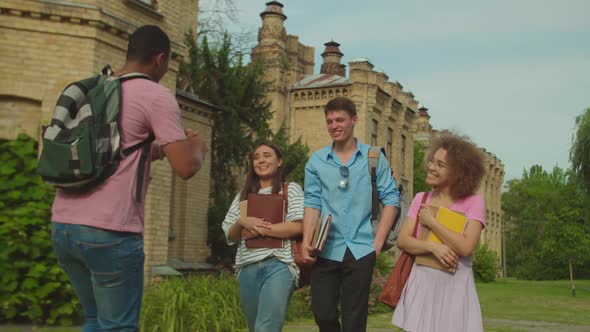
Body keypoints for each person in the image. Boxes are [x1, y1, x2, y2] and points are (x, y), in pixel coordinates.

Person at [51, 25, 208, 331]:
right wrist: (198, 149)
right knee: (119, 327)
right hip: (110, 231)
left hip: (64, 227)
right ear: (160, 59)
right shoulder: (155, 95)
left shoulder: (99, 89)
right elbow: (186, 168)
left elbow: (121, 149)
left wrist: (161, 150)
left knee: (95, 321)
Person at [301, 96, 400, 332]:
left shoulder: (373, 158)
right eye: (329, 121)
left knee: (354, 320)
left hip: (361, 248)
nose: (334, 125)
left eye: (339, 120)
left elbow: (391, 200)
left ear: (354, 120)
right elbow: (312, 203)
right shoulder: (317, 161)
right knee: (322, 313)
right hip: (325, 249)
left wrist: (377, 243)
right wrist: (306, 240)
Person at [392, 133, 486, 332]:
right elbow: (403, 240)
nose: (431, 167)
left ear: (459, 172)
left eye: (440, 165)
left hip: (456, 288)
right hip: (422, 285)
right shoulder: (421, 198)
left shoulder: (474, 202)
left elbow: (466, 247)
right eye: (432, 161)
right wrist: (433, 248)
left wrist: (432, 223)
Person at [222, 141, 304, 332]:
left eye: (267, 155)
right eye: (256, 157)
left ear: (279, 161)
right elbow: (230, 234)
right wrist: (243, 222)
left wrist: (258, 227)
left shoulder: (290, 190)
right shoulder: (242, 196)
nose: (261, 160)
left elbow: (298, 226)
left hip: (279, 265)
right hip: (247, 268)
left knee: (265, 328)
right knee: (255, 328)